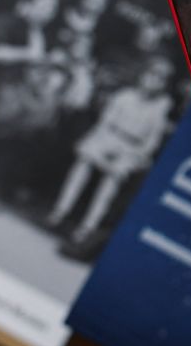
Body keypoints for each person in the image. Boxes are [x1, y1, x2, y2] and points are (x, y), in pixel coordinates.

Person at [46, 57, 173, 244]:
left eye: (160, 79)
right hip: (108, 139)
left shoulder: (160, 109)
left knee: (113, 177)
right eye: (151, 75)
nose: (153, 81)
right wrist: (104, 145)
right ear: (143, 75)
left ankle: (87, 227)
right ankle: (60, 211)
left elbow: (150, 144)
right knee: (84, 161)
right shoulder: (125, 96)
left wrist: (129, 154)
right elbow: (104, 124)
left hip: (130, 150)